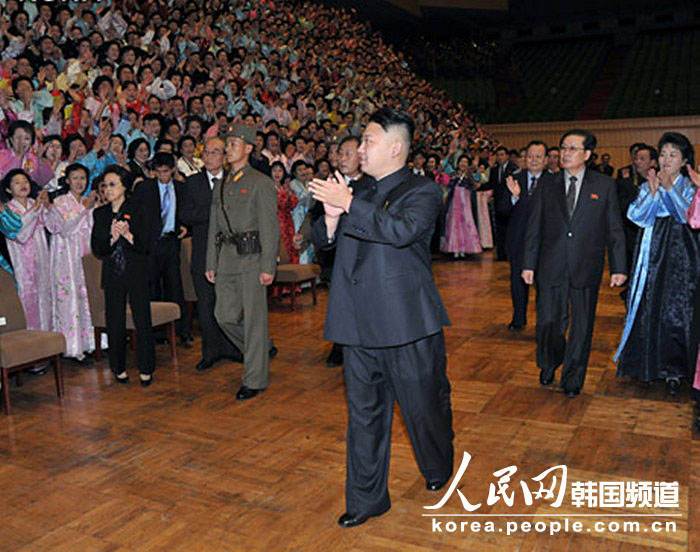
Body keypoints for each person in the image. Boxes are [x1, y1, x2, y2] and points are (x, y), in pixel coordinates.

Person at [309, 107, 454, 528]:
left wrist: (349, 203)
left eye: (369, 140)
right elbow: (323, 242)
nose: (360, 147)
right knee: (364, 415)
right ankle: (367, 499)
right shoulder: (359, 191)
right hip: (356, 323)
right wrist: (333, 220)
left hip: (405, 323)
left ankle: (438, 465)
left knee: (423, 407)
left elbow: (400, 231)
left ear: (395, 147)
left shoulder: (423, 191)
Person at [522, 129, 627, 397]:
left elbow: (614, 229)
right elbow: (534, 227)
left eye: (572, 148)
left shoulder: (604, 185)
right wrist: (528, 264)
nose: (565, 153)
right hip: (550, 266)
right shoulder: (547, 184)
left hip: (585, 266)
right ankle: (549, 361)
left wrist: (618, 267)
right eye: (563, 148)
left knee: (581, 326)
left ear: (587, 154)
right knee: (548, 322)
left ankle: (573, 377)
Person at [615, 133, 700, 395]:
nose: (666, 160)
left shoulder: (690, 186)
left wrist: (670, 189)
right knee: (649, 304)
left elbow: (686, 216)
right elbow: (636, 216)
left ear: (685, 160)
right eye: (663, 154)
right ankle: (649, 364)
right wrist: (652, 193)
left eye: (673, 155)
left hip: (682, 254)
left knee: (678, 309)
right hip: (651, 254)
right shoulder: (647, 184)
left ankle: (675, 369)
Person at [205, 123, 279, 401]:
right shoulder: (222, 183)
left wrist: (267, 266)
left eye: (234, 143)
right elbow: (215, 224)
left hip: (252, 257)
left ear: (248, 148)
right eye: (228, 143)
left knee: (254, 321)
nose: (228, 148)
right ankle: (261, 348)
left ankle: (255, 379)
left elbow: (270, 227)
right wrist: (211, 261)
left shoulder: (260, 183)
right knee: (223, 316)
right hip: (226, 258)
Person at [179, 137, 243, 372]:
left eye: (215, 152)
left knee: (230, 305)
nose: (209, 156)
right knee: (206, 307)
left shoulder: (234, 181)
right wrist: (214, 210)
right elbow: (185, 214)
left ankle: (231, 347)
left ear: (225, 157)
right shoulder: (192, 182)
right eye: (206, 152)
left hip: (230, 254)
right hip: (203, 253)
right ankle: (210, 352)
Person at [91, 165, 155, 386]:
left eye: (112, 184)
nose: (107, 190)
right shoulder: (100, 214)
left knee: (142, 319)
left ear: (124, 186)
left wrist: (128, 235)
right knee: (115, 321)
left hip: (136, 271)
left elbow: (146, 244)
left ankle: (146, 368)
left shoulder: (139, 209)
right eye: (105, 186)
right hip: (113, 274)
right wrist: (111, 238)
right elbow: (97, 248)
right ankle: (118, 367)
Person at [132, 152, 191, 346]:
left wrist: (184, 226)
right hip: (151, 245)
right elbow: (136, 214)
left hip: (171, 243)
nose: (162, 176)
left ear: (173, 170)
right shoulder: (144, 188)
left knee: (175, 286)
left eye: (166, 172)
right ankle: (156, 333)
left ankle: (182, 331)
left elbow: (187, 213)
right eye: (158, 172)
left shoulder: (182, 188)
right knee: (152, 288)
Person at [45, 163, 97, 362]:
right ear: (67, 180)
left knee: (86, 296)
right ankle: (72, 346)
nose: (79, 182)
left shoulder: (86, 201)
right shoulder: (59, 202)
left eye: (82, 178)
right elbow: (64, 229)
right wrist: (84, 211)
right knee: (69, 298)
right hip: (65, 256)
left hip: (84, 254)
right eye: (75, 178)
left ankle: (90, 343)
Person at [496, 141, 548, 331]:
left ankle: (544, 320)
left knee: (543, 285)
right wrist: (514, 198)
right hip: (519, 241)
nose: (534, 160)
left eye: (538, 156)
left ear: (545, 160)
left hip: (545, 244)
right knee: (518, 284)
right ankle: (518, 318)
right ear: (524, 158)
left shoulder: (555, 182)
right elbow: (501, 210)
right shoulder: (513, 179)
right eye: (530, 156)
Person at [2, 169, 51, 333]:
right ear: (8, 190)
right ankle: (31, 340)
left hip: (42, 260)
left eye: (25, 181)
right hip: (21, 263)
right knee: (27, 299)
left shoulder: (34, 203)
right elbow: (21, 235)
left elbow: (53, 226)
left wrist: (48, 206)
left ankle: (47, 339)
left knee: (44, 298)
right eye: (16, 182)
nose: (23, 185)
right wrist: (35, 211)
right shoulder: (7, 211)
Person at [440, 154, 482, 258]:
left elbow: (479, 178)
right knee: (454, 224)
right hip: (454, 202)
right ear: (458, 164)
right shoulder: (453, 174)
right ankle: (454, 249)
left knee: (466, 223)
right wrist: (449, 154)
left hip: (466, 203)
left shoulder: (470, 175)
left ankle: (465, 249)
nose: (463, 164)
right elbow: (443, 166)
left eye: (465, 162)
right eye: (461, 162)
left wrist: (475, 168)